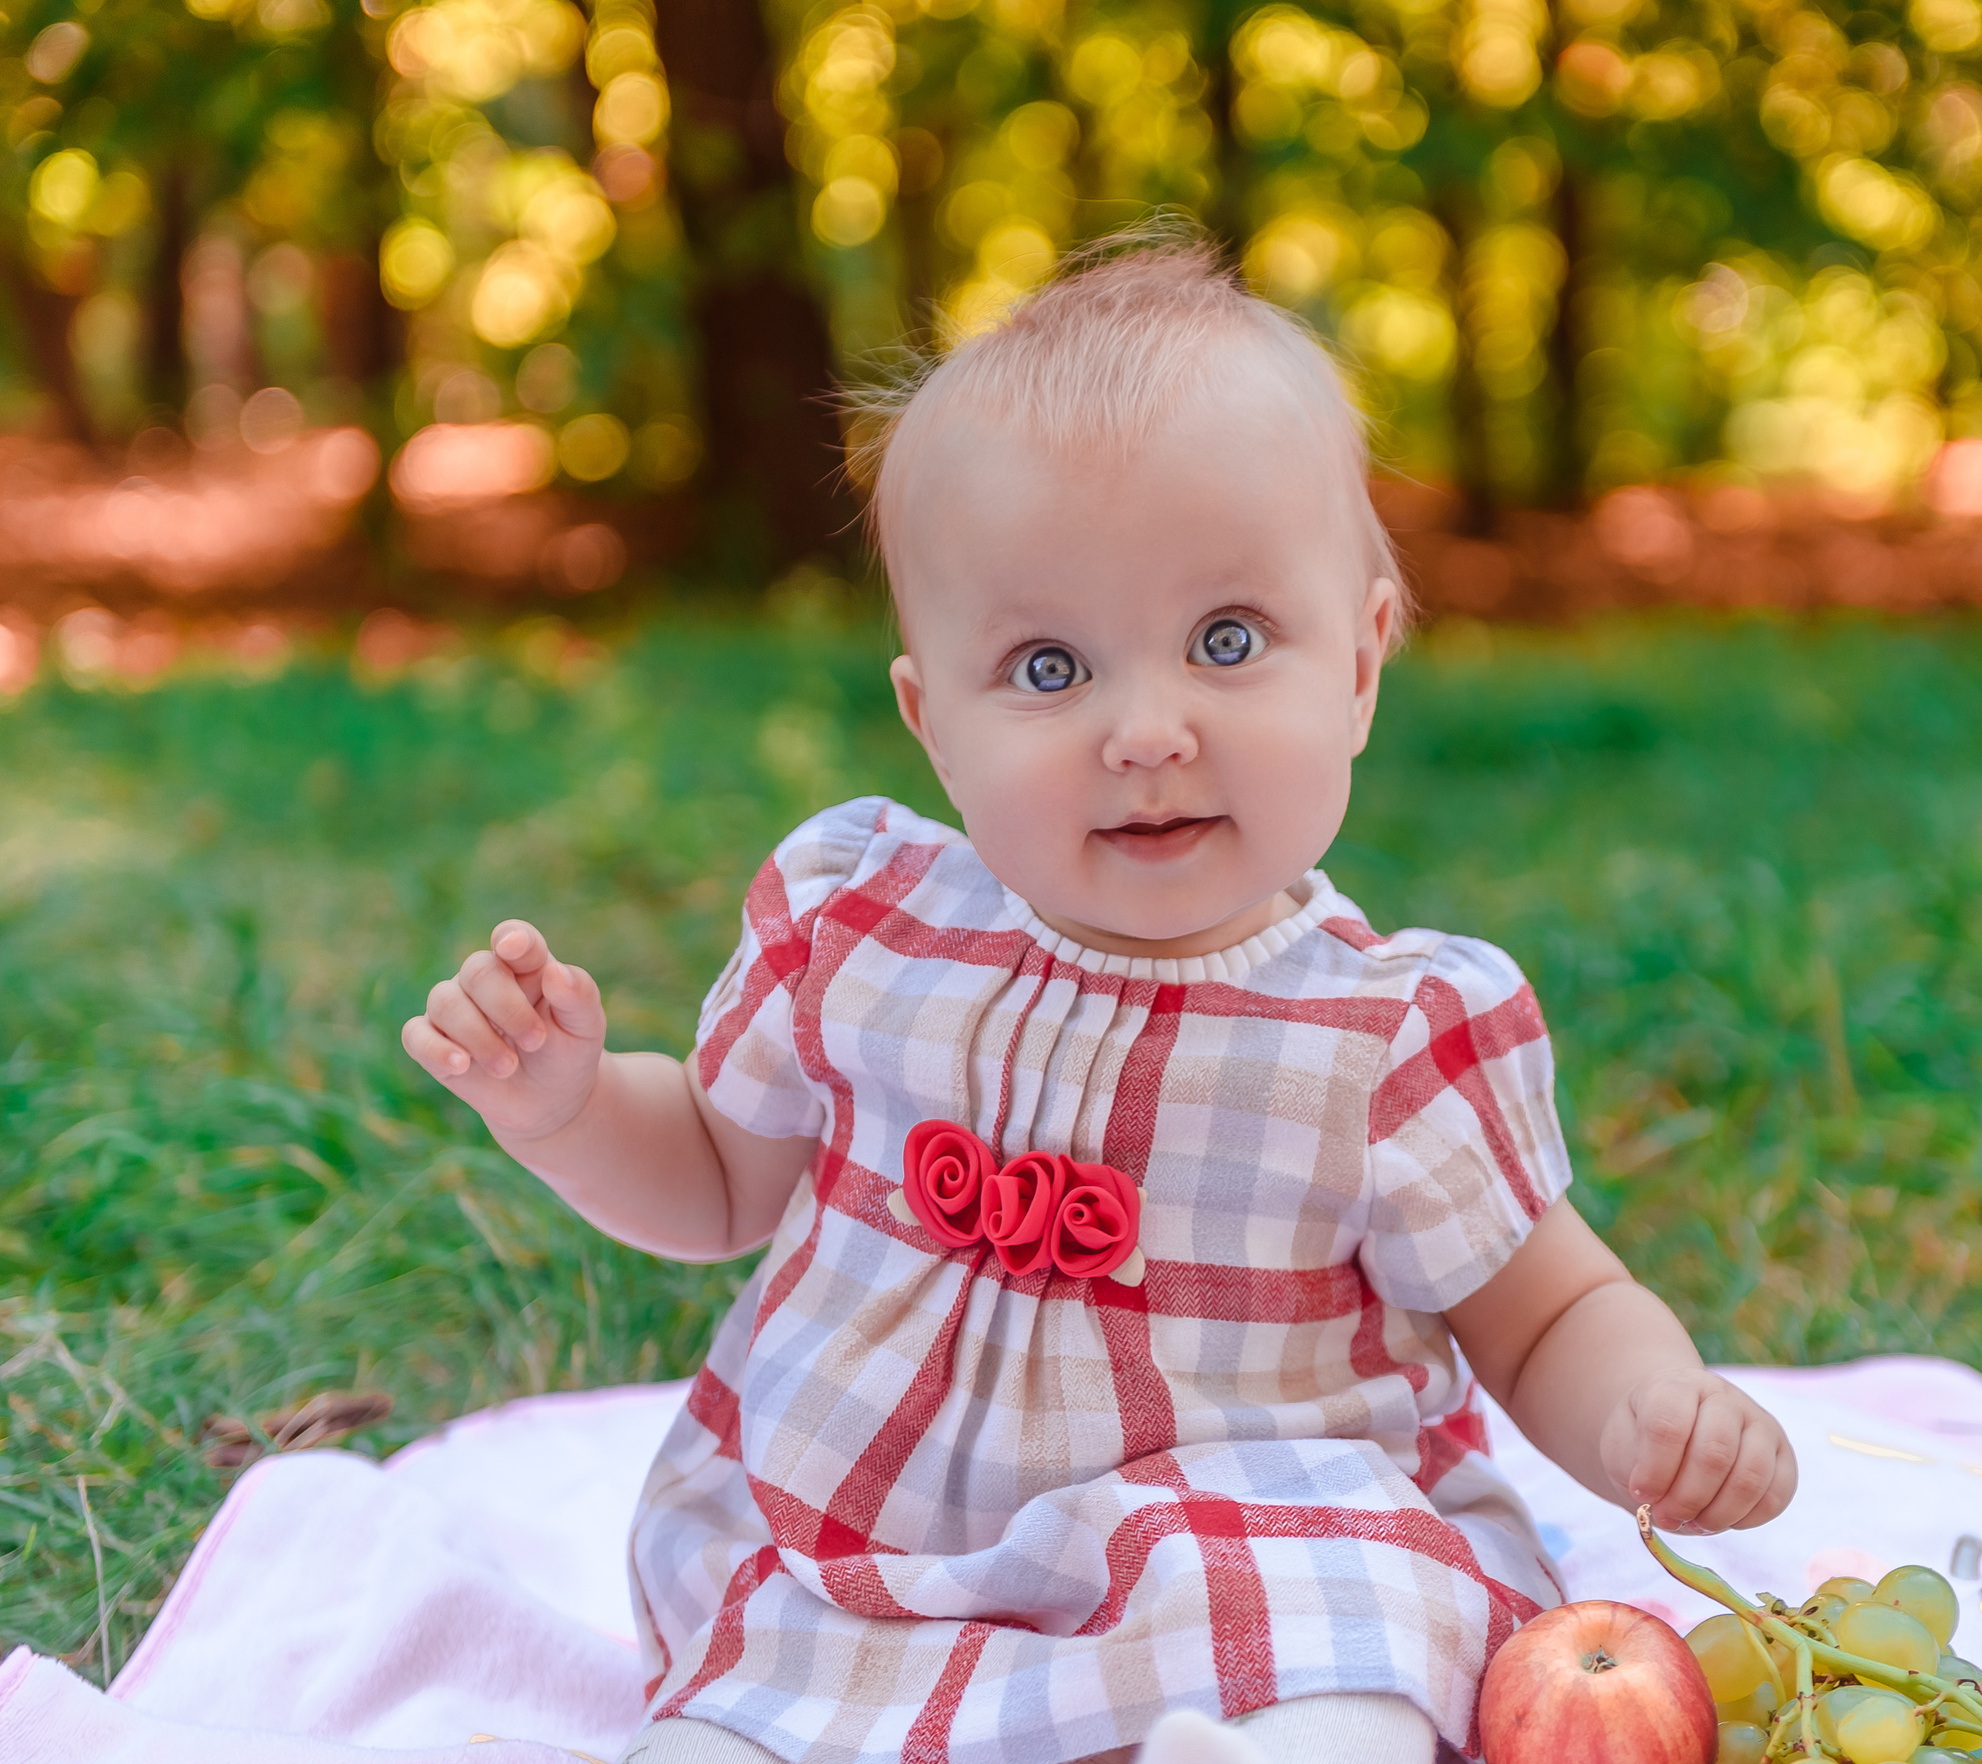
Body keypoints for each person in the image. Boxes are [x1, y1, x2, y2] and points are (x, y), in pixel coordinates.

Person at [401, 232, 1797, 1764]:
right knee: (739, 1722)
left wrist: (1650, 1405)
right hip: (878, 1546)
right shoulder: (863, 927)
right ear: (933, 721)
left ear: (1361, 667)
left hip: (1255, 1530)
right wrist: (569, 1107)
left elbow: (1547, 1317)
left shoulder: (1383, 1037)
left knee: (1345, 1686)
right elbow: (724, 1178)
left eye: (1226, 642)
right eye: (1051, 668)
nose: (1145, 730)